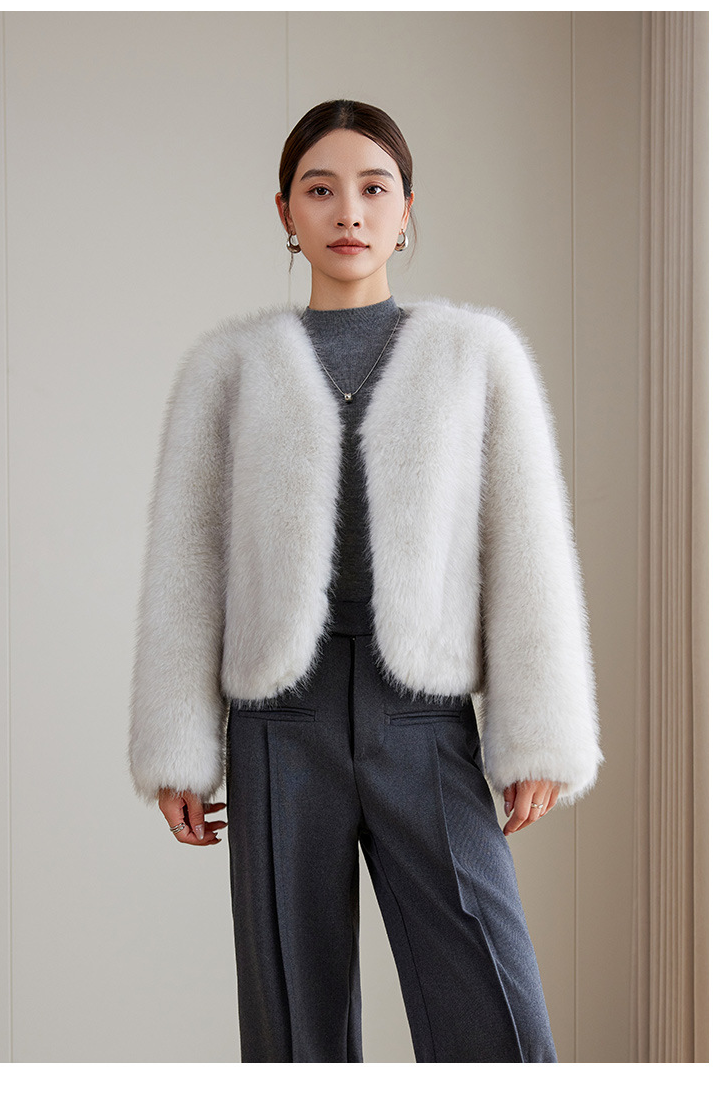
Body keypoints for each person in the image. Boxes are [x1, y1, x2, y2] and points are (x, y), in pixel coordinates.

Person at [129, 99, 602, 1063]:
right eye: (320, 189)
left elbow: (526, 545)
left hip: (422, 718)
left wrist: (540, 729)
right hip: (278, 724)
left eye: (373, 188)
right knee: (294, 1033)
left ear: (405, 209)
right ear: (285, 212)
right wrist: (178, 746)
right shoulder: (229, 369)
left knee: (500, 1027)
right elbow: (188, 561)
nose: (348, 210)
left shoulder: (476, 355)